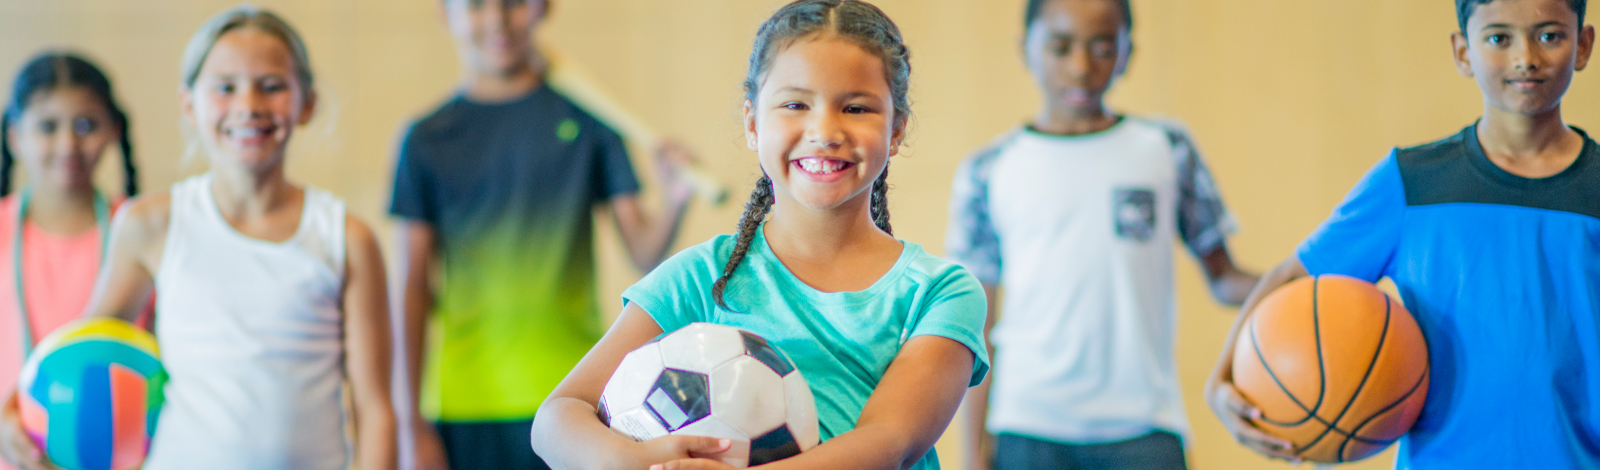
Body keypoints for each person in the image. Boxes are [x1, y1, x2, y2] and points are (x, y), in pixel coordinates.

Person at [527, 1, 989, 469]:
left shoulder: (940, 292)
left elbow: (889, 442)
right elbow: (557, 417)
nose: (825, 131)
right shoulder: (701, 276)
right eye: (795, 104)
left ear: (896, 130)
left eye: (855, 107)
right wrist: (633, 460)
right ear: (752, 123)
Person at [1, 5, 398, 470]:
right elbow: (82, 349)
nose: (249, 105)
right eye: (225, 87)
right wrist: (14, 411)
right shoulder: (152, 224)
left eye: (271, 86)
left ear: (306, 102)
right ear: (190, 104)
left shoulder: (346, 238)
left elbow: (374, 409)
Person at [1205, 0, 1595, 468]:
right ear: (1462, 52)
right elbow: (1293, 280)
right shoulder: (1410, 184)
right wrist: (1220, 381)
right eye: (1498, 38)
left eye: (1549, 35)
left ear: (1583, 44)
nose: (1524, 57)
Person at [946, 1, 1257, 469]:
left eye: (1102, 48)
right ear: (1025, 50)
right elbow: (976, 328)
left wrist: (1314, 283)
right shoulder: (989, 170)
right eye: (1060, 47)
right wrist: (972, 458)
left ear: (1128, 53)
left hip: (1145, 428)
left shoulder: (1166, 150)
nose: (1081, 67)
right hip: (1028, 430)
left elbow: (1225, 278)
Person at [388, 0, 696, 467]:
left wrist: (674, 199)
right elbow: (411, 289)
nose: (496, 19)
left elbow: (643, 253)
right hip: (468, 401)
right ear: (444, 14)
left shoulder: (591, 120)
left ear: (542, 8)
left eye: (513, 3)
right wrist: (410, 425)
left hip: (576, 399)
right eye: (474, 6)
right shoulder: (427, 138)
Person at [0, 52, 142, 470]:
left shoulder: (142, 231)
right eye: (47, 126)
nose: (68, 145)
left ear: (114, 130)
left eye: (87, 125)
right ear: (14, 135)